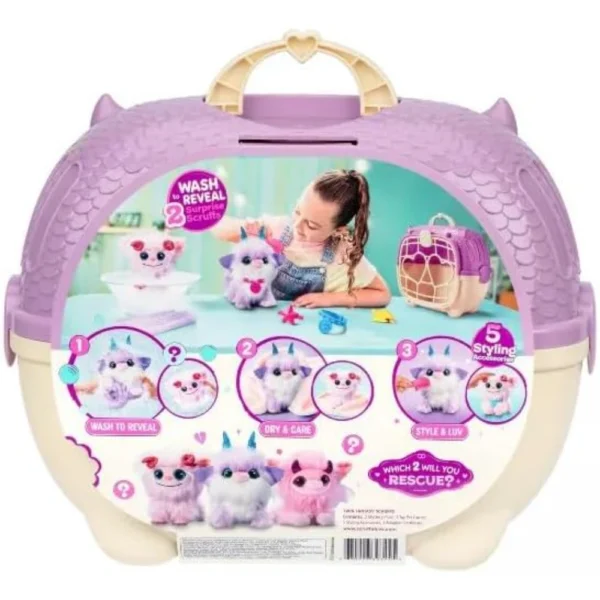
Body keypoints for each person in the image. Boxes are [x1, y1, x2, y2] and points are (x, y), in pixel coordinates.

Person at [212, 169, 391, 309]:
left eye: (311, 225)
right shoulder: (277, 229)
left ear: (338, 230)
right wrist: (247, 231)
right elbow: (217, 227)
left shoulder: (343, 254)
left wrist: (330, 299)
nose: (297, 225)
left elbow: (382, 294)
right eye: (298, 211)